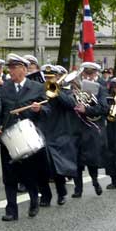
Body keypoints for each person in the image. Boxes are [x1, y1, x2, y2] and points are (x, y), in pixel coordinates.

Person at [0, 54, 47, 221]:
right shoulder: (4, 88)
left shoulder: (37, 87)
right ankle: (11, 210)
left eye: (14, 68)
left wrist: (39, 110)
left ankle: (34, 200)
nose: (11, 71)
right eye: (10, 68)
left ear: (24, 70)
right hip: (8, 137)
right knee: (9, 175)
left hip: (28, 136)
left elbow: (48, 111)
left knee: (29, 173)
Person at [37, 65, 80, 206]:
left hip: (59, 131)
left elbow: (71, 104)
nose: (49, 79)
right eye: (47, 77)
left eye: (52, 77)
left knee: (57, 166)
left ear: (57, 77)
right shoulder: (38, 89)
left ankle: (61, 192)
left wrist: (56, 91)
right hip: (42, 130)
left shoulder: (65, 90)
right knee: (42, 166)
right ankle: (45, 196)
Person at [72, 61, 108, 197]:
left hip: (93, 128)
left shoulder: (101, 88)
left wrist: (86, 109)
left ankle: (95, 181)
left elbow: (104, 108)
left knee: (92, 160)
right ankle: (78, 189)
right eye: (86, 73)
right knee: (77, 159)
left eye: (91, 73)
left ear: (95, 74)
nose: (88, 76)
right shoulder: (75, 87)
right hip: (77, 127)